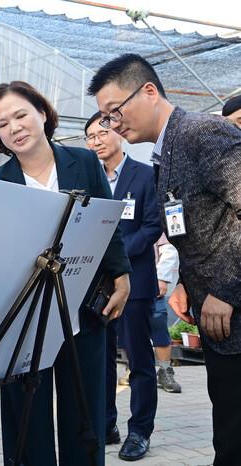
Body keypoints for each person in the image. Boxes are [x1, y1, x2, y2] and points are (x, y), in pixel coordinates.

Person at [89, 53, 241, 466]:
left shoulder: (202, 133)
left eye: (115, 111)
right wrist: (187, 285)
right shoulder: (166, 151)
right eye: (105, 118)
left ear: (149, 91)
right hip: (217, 318)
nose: (112, 124)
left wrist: (226, 290)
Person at [0, 81, 131, 466]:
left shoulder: (83, 163)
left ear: (42, 113)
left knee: (84, 410)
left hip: (81, 309)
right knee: (26, 416)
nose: (14, 127)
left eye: (20, 115)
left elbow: (107, 223)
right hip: (24, 316)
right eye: (2, 124)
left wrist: (121, 275)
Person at [85, 112, 161, 460]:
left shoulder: (145, 175)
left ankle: (140, 431)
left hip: (136, 282)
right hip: (97, 286)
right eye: (89, 137)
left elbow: (152, 226)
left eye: (101, 132)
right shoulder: (88, 179)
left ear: (118, 132)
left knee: (139, 360)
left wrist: (115, 258)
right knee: (101, 358)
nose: (96, 141)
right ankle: (106, 424)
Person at [152, 234, 182, 393]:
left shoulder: (153, 221)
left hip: (150, 282)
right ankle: (132, 368)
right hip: (122, 281)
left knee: (159, 324)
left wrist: (162, 278)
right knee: (128, 329)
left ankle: (164, 370)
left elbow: (169, 250)